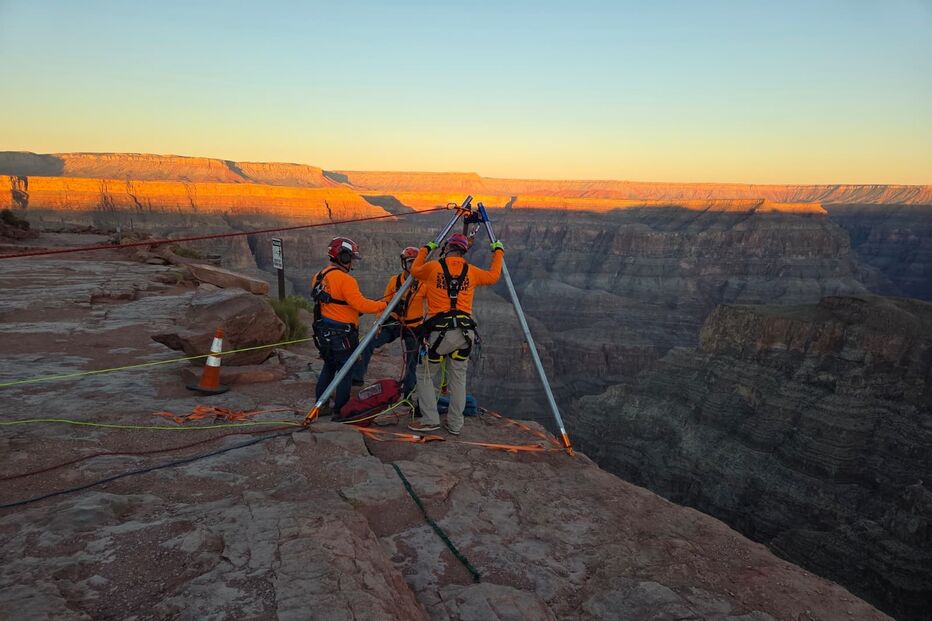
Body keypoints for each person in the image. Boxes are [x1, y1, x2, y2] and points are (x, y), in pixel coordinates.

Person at [407, 233, 504, 434]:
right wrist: (499, 251)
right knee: (458, 380)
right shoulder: (472, 271)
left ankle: (430, 420)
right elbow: (494, 276)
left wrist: (426, 248)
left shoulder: (433, 267)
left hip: (439, 334)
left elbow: (414, 270)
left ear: (448, 247)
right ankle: (455, 424)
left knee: (424, 375)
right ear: (463, 251)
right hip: (465, 334)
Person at [311, 237, 387, 415]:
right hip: (342, 334)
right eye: (351, 258)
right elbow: (362, 305)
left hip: (324, 332)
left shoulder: (319, 276)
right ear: (342, 257)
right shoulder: (346, 280)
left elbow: (335, 303)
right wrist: (385, 305)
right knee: (346, 371)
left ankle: (320, 406)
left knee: (329, 367)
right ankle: (341, 410)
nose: (353, 262)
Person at [351, 246, 426, 400]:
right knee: (368, 342)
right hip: (395, 322)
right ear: (404, 263)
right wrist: (378, 323)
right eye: (410, 262)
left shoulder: (425, 283)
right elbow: (385, 302)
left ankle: (408, 395)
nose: (413, 265)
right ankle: (357, 377)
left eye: (415, 262)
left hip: (414, 326)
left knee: (411, 362)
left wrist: (428, 330)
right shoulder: (395, 281)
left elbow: (433, 305)